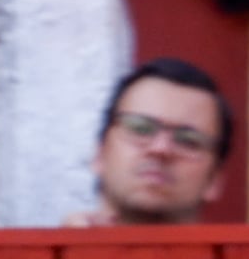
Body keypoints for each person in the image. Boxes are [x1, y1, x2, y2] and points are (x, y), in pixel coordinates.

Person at [72, 56, 232, 228]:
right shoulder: (53, 254)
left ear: (214, 180)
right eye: (140, 128)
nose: (161, 148)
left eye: (188, 141)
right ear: (100, 154)